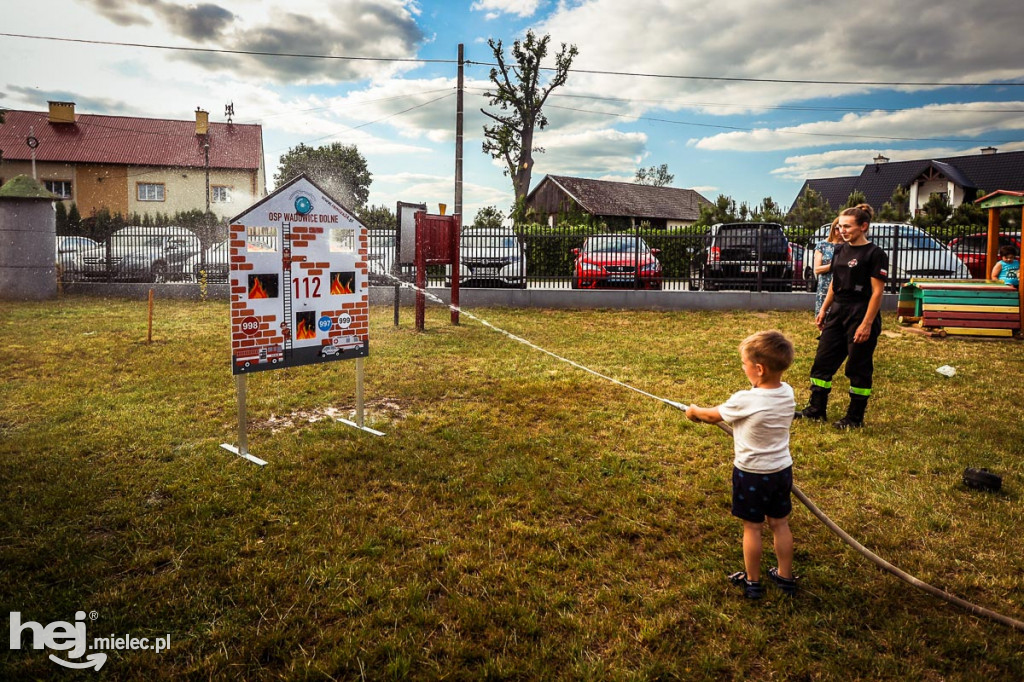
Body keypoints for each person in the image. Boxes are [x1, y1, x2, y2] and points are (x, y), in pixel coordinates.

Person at [686, 331, 798, 599]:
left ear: (759, 369)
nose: (743, 367)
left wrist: (693, 411)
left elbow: (712, 416)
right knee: (780, 524)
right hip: (781, 471)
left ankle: (753, 582)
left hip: (751, 475)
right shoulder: (788, 392)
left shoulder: (746, 399)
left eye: (745, 364)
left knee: (752, 527)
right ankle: (785, 576)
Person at [795, 203, 888, 429]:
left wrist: (866, 324)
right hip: (838, 310)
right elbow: (834, 284)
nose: (842, 231)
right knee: (822, 362)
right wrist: (824, 310)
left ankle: (855, 417)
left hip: (860, 312)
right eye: (839, 227)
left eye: (847, 226)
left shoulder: (874, 254)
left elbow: (877, 293)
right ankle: (816, 409)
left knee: (858, 367)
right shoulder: (839, 250)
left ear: (863, 226)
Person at [813, 218, 843, 315]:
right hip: (825, 287)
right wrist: (834, 265)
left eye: (843, 228)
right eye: (838, 228)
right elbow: (817, 269)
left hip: (842, 286)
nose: (840, 232)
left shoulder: (848, 246)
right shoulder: (822, 245)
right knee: (824, 317)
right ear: (833, 228)